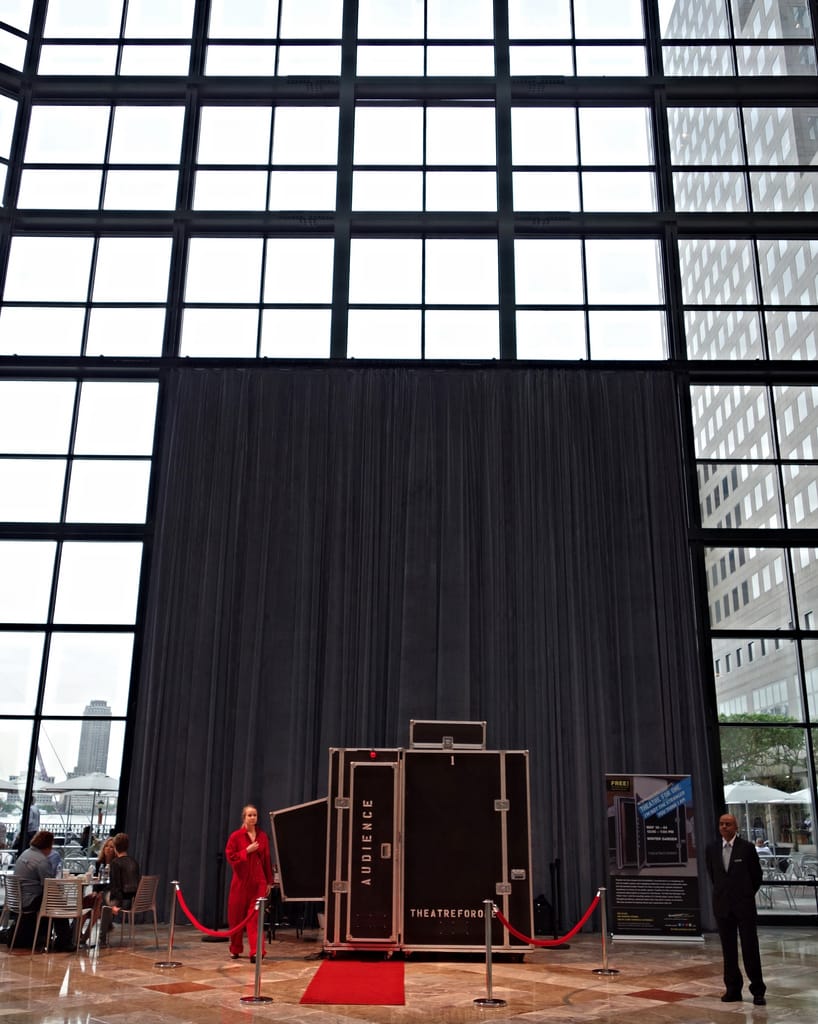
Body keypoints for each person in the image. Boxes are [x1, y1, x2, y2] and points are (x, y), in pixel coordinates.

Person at [705, 813, 766, 1006]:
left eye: (728, 824)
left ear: (736, 827)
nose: (724, 827)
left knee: (750, 948)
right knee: (728, 950)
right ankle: (732, 989)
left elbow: (756, 876)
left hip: (744, 906)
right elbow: (713, 875)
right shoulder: (712, 849)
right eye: (722, 824)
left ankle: (757, 990)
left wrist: (745, 895)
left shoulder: (746, 848)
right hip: (723, 907)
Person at [11, 830, 75, 951]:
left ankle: (44, 938)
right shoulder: (41, 861)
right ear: (48, 845)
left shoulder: (25, 854)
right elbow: (49, 885)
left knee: (52, 901)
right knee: (56, 901)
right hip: (30, 900)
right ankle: (64, 941)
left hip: (18, 898)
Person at [225, 804, 273, 963]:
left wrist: (269, 882)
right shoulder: (236, 837)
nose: (253, 818)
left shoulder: (263, 836)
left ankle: (256, 951)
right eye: (250, 815)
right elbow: (231, 858)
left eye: (255, 815)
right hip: (240, 883)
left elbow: (267, 860)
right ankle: (235, 948)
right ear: (244, 817)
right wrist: (247, 851)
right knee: (236, 917)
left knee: (255, 919)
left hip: (258, 882)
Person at [98, 832, 140, 946]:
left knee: (104, 902)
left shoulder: (115, 863)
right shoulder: (134, 862)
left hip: (123, 901)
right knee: (105, 898)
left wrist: (117, 905)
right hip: (133, 900)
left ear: (115, 847)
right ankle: (107, 927)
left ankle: (102, 938)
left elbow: (116, 886)